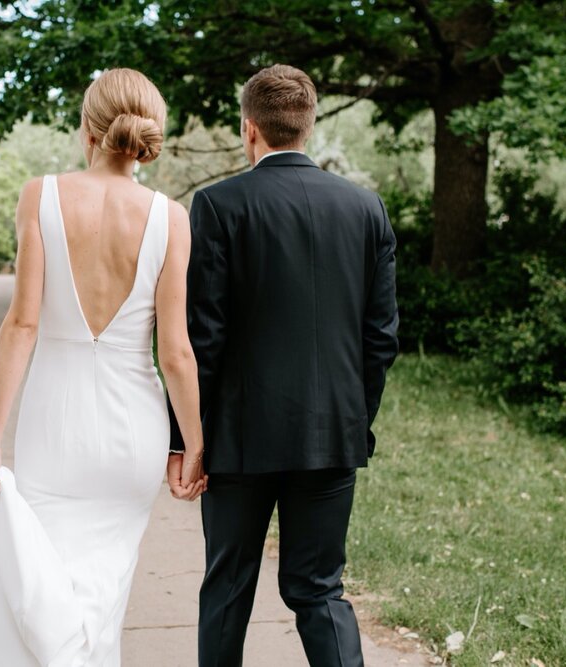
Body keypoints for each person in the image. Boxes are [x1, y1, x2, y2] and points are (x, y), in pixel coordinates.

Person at [0, 67, 207, 667]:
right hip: (133, 433)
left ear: (88, 128)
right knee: (102, 599)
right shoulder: (171, 218)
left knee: (39, 589)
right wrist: (197, 444)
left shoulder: (42, 195)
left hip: (57, 427)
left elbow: (22, 326)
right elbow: (175, 353)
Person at [168, 64, 399, 667]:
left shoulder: (218, 206)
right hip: (332, 436)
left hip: (239, 441)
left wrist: (186, 439)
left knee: (228, 588)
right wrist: (354, 418)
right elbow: (381, 338)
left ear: (250, 130)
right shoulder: (366, 208)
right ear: (309, 125)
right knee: (320, 591)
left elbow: (203, 338)